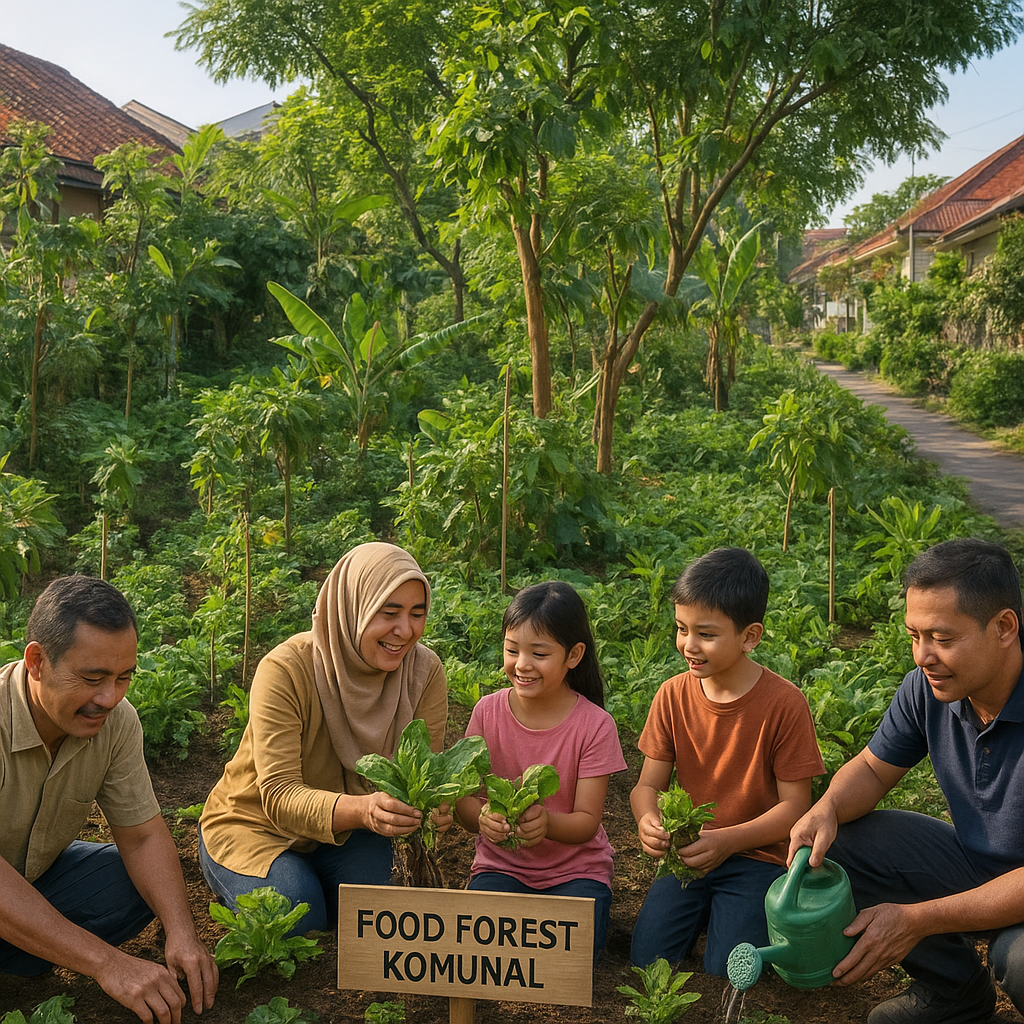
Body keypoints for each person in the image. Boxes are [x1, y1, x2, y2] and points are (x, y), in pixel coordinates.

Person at [789, 537, 1024, 1024]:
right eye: (913, 635)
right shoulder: (931, 686)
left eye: (941, 638)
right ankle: (956, 995)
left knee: (1020, 960)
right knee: (841, 846)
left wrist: (916, 919)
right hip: (978, 866)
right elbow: (873, 769)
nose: (922, 656)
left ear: (1004, 627)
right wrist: (826, 808)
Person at [199, 542, 449, 935]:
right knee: (297, 914)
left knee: (389, 914)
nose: (406, 630)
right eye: (389, 613)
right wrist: (366, 810)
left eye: (417, 614)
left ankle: (322, 882)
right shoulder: (286, 669)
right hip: (257, 825)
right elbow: (279, 795)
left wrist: (431, 808)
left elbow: (426, 776)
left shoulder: (424, 672)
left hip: (355, 831)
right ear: (353, 607)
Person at [0, 575, 218, 1023]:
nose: (108, 698)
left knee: (136, 886)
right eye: (93, 678)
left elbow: (141, 837)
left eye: (123, 678)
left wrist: (182, 932)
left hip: (29, 879)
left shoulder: (116, 723)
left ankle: (21, 950)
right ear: (37, 661)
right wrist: (107, 964)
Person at [630, 547, 825, 975]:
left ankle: (724, 919)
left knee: (727, 972)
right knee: (647, 962)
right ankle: (700, 913)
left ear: (750, 636)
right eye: (681, 629)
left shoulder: (784, 704)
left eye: (706, 634)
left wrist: (728, 841)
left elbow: (796, 808)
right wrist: (649, 819)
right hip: (687, 854)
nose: (688, 645)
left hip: (756, 857)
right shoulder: (672, 695)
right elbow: (647, 786)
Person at [455, 581, 626, 961]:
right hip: (501, 867)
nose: (522, 665)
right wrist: (482, 817)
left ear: (574, 655)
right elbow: (464, 801)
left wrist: (547, 823)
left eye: (539, 653)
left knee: (568, 962)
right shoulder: (486, 712)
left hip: (576, 872)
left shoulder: (595, 725)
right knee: (482, 954)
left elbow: (586, 821)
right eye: (512, 650)